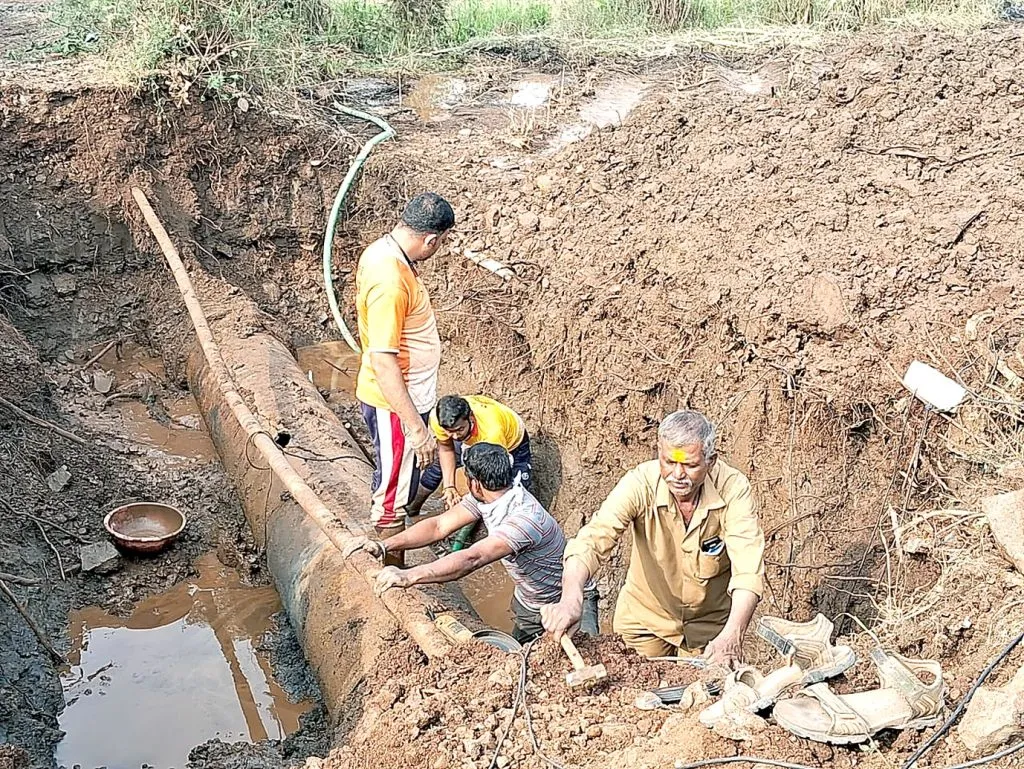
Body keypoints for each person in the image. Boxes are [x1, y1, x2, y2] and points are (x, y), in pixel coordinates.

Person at [540, 410, 765, 667]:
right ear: (659, 452)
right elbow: (592, 541)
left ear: (710, 461)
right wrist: (571, 599)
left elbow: (748, 569)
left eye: (690, 465)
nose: (677, 474)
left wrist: (732, 634)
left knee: (703, 689)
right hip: (643, 623)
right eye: (669, 462)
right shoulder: (640, 484)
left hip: (708, 630)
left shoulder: (734, 489)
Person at [342, 442, 599, 643]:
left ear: (474, 483)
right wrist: (385, 546)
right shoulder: (487, 498)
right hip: (530, 602)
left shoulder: (524, 519)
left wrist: (409, 576)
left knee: (585, 662)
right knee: (520, 659)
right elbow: (439, 526)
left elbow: (472, 558)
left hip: (570, 601)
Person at [354, 192, 455, 565]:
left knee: (397, 480)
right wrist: (415, 427)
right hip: (396, 404)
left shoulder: (384, 253)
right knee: (392, 498)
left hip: (406, 399)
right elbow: (383, 361)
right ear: (431, 240)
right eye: (441, 243)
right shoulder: (391, 281)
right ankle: (393, 573)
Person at [407, 394, 533, 515]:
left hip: (512, 444)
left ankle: (472, 528)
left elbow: (487, 478)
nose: (454, 436)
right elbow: (446, 448)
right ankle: (411, 509)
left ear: (471, 418)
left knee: (510, 490)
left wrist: (466, 499)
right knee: (437, 467)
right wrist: (449, 486)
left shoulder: (492, 432)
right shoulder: (438, 419)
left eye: (459, 430)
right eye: (449, 432)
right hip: (472, 433)